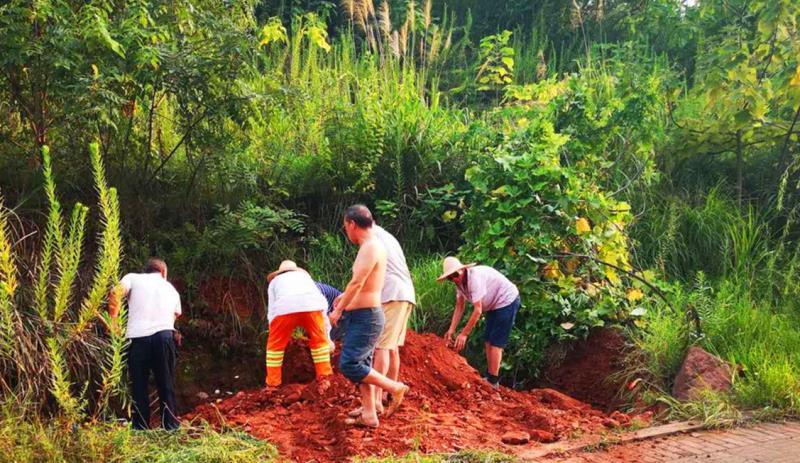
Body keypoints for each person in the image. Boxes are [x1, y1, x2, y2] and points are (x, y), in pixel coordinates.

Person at [329, 204, 410, 428]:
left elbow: (357, 282)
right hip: (363, 316)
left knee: (349, 364)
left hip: (367, 317)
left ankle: (394, 388)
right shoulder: (371, 246)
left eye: (346, 226)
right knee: (363, 364)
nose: (346, 231)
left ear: (352, 224)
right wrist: (346, 297)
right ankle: (369, 414)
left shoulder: (371, 247)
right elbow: (363, 282)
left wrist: (338, 310)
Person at [108, 258, 182, 430]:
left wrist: (113, 323)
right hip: (164, 336)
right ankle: (170, 428)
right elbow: (173, 317)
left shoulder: (133, 278)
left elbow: (115, 293)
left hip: (137, 338)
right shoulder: (171, 289)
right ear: (163, 273)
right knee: (166, 383)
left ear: (146, 270)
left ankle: (140, 428)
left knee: (139, 386)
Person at [437, 256, 521, 388]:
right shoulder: (459, 284)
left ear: (463, 270)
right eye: (450, 277)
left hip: (507, 300)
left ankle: (493, 381)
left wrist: (464, 334)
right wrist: (451, 330)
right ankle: (489, 376)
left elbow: (477, 310)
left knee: (495, 343)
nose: (454, 279)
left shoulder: (474, 279)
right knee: (488, 340)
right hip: (493, 305)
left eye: (455, 274)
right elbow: (459, 306)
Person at [366, 223, 415, 415]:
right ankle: (390, 393)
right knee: (391, 347)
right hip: (405, 293)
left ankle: (377, 400)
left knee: (381, 347)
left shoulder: (372, 239)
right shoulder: (388, 237)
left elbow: (368, 272)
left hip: (392, 294)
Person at [265, 260, 333, 387]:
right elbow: (322, 302)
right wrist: (327, 336)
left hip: (284, 309)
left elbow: (272, 309)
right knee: (320, 343)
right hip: (313, 307)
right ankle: (325, 378)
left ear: (279, 273)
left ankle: (273, 385)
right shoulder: (305, 277)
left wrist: (272, 331)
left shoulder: (274, 282)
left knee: (274, 348)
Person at [316, 281, 343, 347]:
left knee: (325, 343)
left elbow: (324, 320)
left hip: (340, 313)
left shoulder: (315, 293)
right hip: (331, 310)